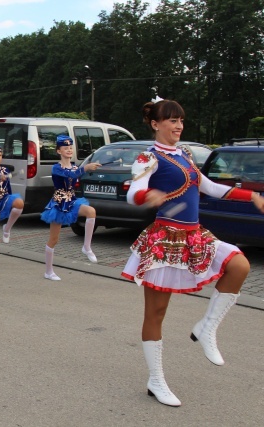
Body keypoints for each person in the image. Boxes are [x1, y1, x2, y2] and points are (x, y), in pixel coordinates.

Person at [122, 99, 264, 407]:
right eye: (171, 120)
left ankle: (206, 328)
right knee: (156, 313)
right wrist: (149, 194)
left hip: (194, 235)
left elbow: (209, 187)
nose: (178, 126)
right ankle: (156, 380)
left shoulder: (184, 155)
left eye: (181, 120)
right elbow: (133, 193)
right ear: (155, 124)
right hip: (165, 240)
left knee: (239, 266)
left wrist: (250, 194)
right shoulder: (148, 156)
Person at [40, 135, 101, 280]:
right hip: (59, 204)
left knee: (91, 212)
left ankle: (86, 247)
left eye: (70, 147)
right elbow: (71, 175)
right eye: (65, 148)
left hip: (72, 201)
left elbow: (75, 176)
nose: (69, 150)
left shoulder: (74, 166)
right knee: (54, 240)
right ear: (58, 151)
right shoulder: (56, 168)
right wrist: (86, 167)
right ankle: (48, 271)